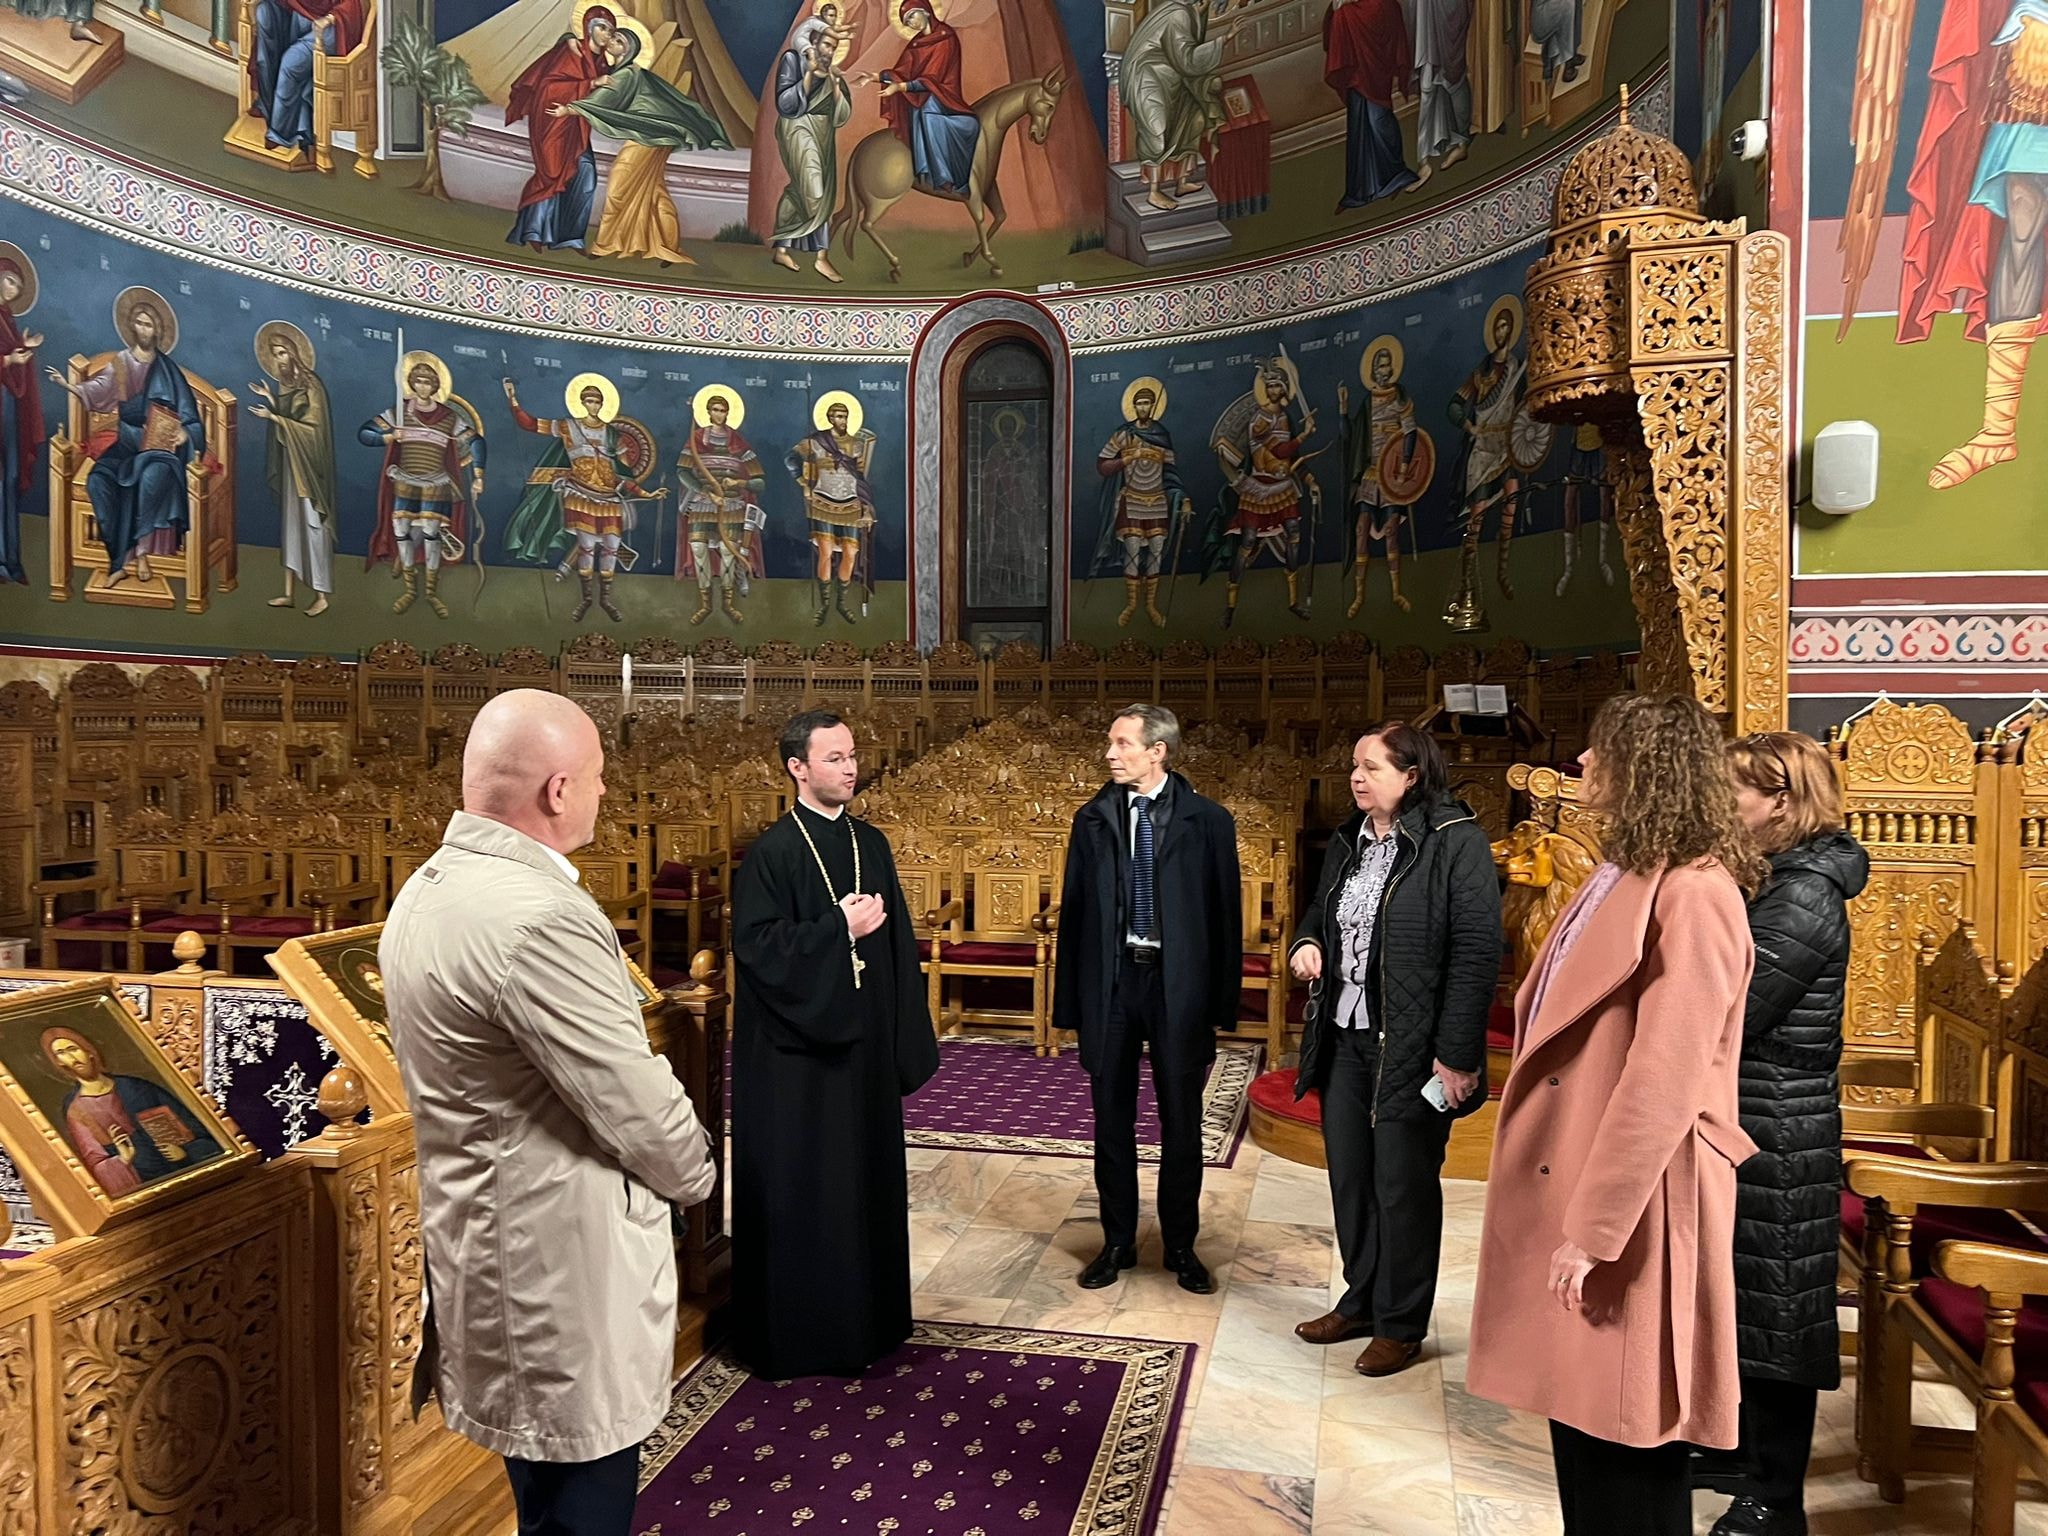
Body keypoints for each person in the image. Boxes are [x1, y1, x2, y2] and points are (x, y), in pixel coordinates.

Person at [381, 690, 715, 1536]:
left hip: (489, 1235)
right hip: (559, 1259)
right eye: (598, 776)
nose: (605, 792)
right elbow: (634, 1102)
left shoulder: (427, 888)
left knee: (542, 1490)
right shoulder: (539, 917)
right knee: (581, 1498)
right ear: (559, 790)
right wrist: (698, 1176)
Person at [1468, 693, 1766, 1535]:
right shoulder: (1622, 871)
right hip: (1582, 1160)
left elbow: (1665, 1079)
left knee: (1628, 1428)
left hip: (1639, 1193)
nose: (1584, 763)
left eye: (1602, 751)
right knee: (1584, 1421)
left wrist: (1596, 1228)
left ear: (1647, 768)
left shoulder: (1697, 893)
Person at [729, 710, 940, 1379]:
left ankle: (871, 1323)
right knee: (806, 1191)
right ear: (797, 768)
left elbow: (898, 948)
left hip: (862, 1050)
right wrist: (834, 931)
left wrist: (902, 1036)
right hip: (798, 1062)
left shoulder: (869, 844)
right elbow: (757, 948)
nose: (851, 768)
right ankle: (801, 1337)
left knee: (863, 1186)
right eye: (834, 758)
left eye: (852, 756)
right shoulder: (772, 853)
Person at [1287, 722, 1500, 1376]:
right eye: (1354, 765)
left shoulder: (1456, 841)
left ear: (1411, 776)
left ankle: (1401, 1324)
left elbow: (1476, 953)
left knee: (1402, 1187)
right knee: (1352, 1180)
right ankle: (1360, 1302)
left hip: (1413, 1045)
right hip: (1343, 1036)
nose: (1356, 777)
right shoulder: (1348, 839)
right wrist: (1307, 943)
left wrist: (1456, 1055)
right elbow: (1319, 912)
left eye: (1371, 767)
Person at [1699, 732, 1869, 1536]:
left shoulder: (1803, 895)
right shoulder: (1777, 878)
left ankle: (1777, 1498)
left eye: (1736, 788)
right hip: (1758, 1107)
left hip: (1783, 1118)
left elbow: (1736, 1005)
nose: (1723, 802)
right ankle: (1742, 1455)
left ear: (1780, 800)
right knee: (1747, 1297)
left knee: (1779, 1308)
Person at [1051, 704, 1241, 1294]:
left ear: (1157, 751)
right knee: (1111, 1119)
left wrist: (1221, 1004)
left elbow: (1225, 917)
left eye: (1122, 744)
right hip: (1111, 985)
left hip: (1176, 986)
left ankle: (1181, 1245)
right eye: (1111, 743)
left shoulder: (1209, 821)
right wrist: (1070, 1005)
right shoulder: (1091, 818)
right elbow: (1075, 915)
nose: (1110, 754)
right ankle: (1116, 1243)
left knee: (1181, 1121)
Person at [51, 292, 203, 591]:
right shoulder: (120, 363)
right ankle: (118, 562)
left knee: (148, 479)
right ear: (132, 326)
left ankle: (142, 555)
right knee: (98, 480)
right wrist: (70, 386)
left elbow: (190, 415)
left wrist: (186, 433)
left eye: (149, 325)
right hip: (126, 445)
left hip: (159, 449)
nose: (144, 330)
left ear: (157, 330)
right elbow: (98, 388)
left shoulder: (169, 371)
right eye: (139, 323)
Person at [567, 20, 731, 266]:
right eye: (613, 37)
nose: (612, 42)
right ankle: (667, 245)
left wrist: (570, 109)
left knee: (618, 185)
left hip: (648, 137)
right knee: (653, 189)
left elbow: (601, 101)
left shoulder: (626, 74)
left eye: (619, 41)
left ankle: (606, 244)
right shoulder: (632, 73)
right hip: (658, 137)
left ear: (628, 51)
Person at [501, 375, 650, 623]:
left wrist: (643, 492)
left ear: (602, 404)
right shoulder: (568, 427)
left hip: (609, 498)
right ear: (582, 402)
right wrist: (513, 400)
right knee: (587, 547)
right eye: (589, 401)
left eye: (597, 401)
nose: (593, 405)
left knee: (611, 547)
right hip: (580, 495)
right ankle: (586, 599)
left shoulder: (613, 435)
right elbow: (530, 424)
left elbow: (624, 472)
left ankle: (606, 600)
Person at [361, 353, 485, 619]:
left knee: (431, 534)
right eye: (418, 381)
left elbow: (476, 442)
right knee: (402, 531)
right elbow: (365, 433)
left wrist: (479, 475)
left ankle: (430, 592)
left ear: (436, 386)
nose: (423, 386)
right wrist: (390, 436)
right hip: (405, 479)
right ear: (411, 383)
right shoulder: (399, 411)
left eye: (428, 382)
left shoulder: (449, 417)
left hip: (436, 482)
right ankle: (409, 590)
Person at [43, 1028, 224, 1197]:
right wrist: (122, 1160)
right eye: (61, 1053)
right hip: (144, 1189)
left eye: (73, 1049)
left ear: (89, 1051)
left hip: (187, 1176)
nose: (72, 1058)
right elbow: (94, 1163)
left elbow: (200, 1130)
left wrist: (186, 1152)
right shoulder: (76, 1109)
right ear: (59, 1062)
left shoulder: (137, 1087)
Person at [505, 6, 616, 253]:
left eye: (611, 31)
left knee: (585, 176)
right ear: (589, 28)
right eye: (602, 27)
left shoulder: (602, 64)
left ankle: (570, 237)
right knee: (552, 175)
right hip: (552, 121)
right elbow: (548, 87)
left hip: (576, 128)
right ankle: (533, 231)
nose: (607, 34)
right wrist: (591, 83)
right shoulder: (572, 52)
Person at [250, 323, 338, 618]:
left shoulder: (312, 384)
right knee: (291, 528)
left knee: (313, 527)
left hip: (310, 472)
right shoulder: (286, 385)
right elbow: (290, 417)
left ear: (293, 353)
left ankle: (321, 595)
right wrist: (271, 399)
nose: (279, 360)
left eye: (282, 353)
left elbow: (313, 430)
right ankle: (289, 593)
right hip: (291, 466)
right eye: (275, 355)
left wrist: (273, 417)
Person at [1119, 0, 1236, 211]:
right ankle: (1153, 191)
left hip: (1172, 74)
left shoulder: (1191, 13)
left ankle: (1182, 181)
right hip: (1149, 76)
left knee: (1192, 119)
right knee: (1156, 129)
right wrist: (1225, 39)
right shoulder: (1178, 13)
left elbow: (1187, 52)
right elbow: (1186, 59)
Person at [1093, 382, 1189, 629]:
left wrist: (1184, 498)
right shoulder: (1124, 434)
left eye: (1147, 403)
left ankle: (1151, 605)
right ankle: (1131, 604)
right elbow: (1103, 465)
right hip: (1132, 499)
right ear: (1133, 407)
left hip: (1156, 500)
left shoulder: (1161, 436)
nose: (1143, 408)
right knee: (1133, 549)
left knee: (1156, 549)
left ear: (1153, 406)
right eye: (1139, 404)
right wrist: (1126, 459)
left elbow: (1170, 472)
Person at [863, 0, 979, 197]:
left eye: (911, 17)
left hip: (945, 99)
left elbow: (932, 79)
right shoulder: (916, 44)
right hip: (922, 98)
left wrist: (901, 87)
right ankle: (926, 169)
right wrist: (876, 77)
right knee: (921, 106)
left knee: (933, 111)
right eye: (906, 22)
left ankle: (948, 177)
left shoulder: (945, 38)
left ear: (925, 11)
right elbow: (903, 71)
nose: (910, 23)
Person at [770, 11, 851, 283]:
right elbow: (785, 104)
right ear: (814, 41)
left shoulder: (831, 74)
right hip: (798, 128)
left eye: (834, 47)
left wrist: (836, 87)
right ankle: (821, 257)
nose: (829, 51)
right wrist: (809, 76)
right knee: (816, 193)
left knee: (800, 190)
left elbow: (841, 116)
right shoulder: (793, 60)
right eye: (826, 44)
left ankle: (781, 250)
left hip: (824, 134)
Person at [785, 396, 877, 626]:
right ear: (829, 418)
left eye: (844, 416)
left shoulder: (857, 445)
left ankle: (841, 603)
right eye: (837, 416)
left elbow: (861, 479)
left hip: (850, 505)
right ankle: (825, 603)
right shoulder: (816, 442)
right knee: (825, 552)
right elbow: (791, 458)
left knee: (851, 553)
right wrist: (803, 484)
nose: (842, 420)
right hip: (822, 503)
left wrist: (867, 509)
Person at [675, 391, 763, 626]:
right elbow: (682, 471)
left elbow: (759, 481)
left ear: (728, 413)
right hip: (703, 503)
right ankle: (705, 604)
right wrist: (706, 492)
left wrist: (738, 483)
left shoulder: (738, 442)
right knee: (698, 548)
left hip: (731, 505)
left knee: (728, 552)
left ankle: (727, 603)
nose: (719, 414)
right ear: (708, 412)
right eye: (715, 410)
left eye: (723, 410)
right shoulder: (696, 439)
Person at [1323, 0, 1418, 211]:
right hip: (1357, 74)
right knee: (1358, 126)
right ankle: (1360, 190)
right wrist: (1338, 11)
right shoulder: (1348, 13)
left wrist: (1344, 13)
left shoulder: (1380, 7)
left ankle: (1395, 175)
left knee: (1378, 119)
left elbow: (1386, 15)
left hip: (1374, 69)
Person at [249, 0, 367, 157]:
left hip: (331, 27)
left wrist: (330, 19)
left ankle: (281, 133)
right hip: (298, 15)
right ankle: (268, 107)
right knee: (265, 11)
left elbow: (351, 4)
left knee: (291, 63)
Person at [0, 258, 46, 587]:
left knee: (10, 478)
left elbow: (12, 357)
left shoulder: (8, 320)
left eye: (17, 284)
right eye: (9, 280)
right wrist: (9, 359)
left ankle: (10, 560)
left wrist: (23, 349)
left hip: (8, 407)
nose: (13, 289)